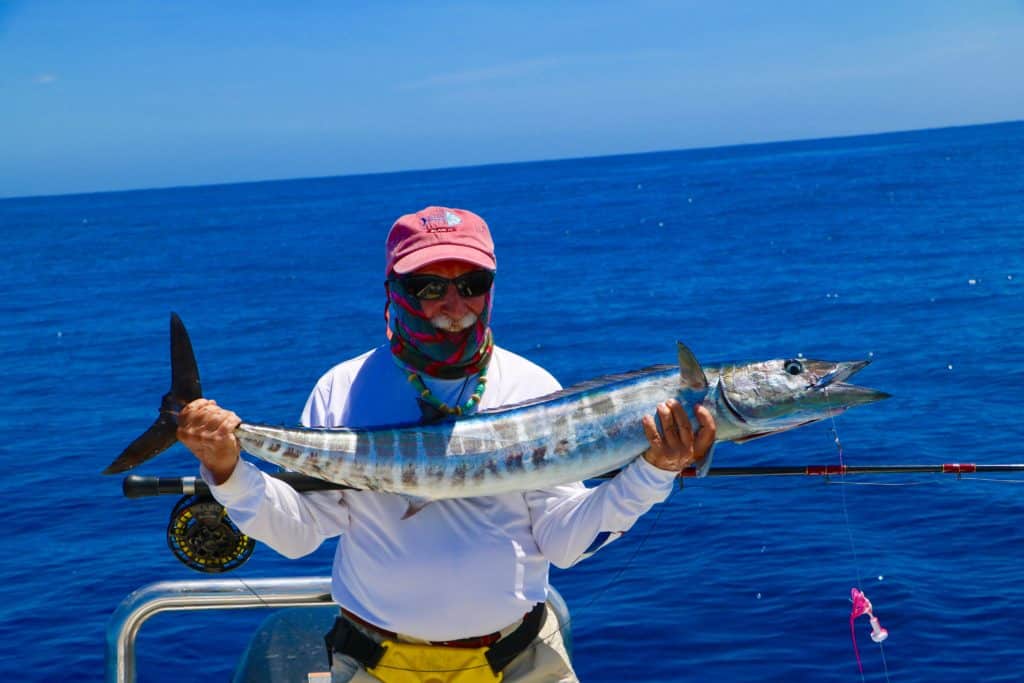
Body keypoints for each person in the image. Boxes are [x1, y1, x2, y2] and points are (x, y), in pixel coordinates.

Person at [177, 206, 716, 682]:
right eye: (428, 286)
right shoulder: (343, 388)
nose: (453, 302)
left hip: (522, 663)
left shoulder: (533, 388)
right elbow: (299, 534)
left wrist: (653, 471)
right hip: (375, 667)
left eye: (472, 282)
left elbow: (563, 542)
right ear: (393, 289)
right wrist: (229, 470)